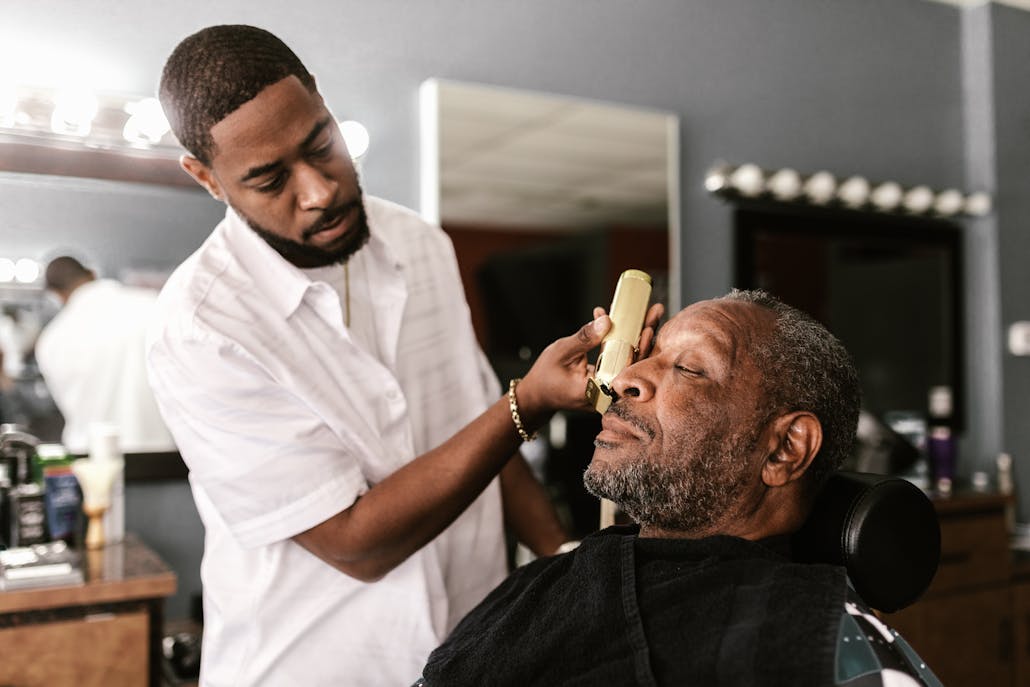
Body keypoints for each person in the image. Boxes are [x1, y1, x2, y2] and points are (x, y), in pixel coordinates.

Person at [146, 24, 662, 686]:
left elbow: (481, 432)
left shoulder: (420, 243)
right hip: (316, 668)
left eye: (321, 144)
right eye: (270, 179)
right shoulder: (201, 327)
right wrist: (526, 401)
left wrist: (567, 562)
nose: (319, 190)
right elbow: (356, 543)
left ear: (324, 104)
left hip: (472, 652)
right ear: (207, 179)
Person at [418, 290, 942, 687]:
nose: (625, 378)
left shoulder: (824, 639)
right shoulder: (538, 585)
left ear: (784, 448)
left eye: (689, 368)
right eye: (649, 355)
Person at [35, 256, 175, 453]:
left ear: (56, 294)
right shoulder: (154, 306)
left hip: (91, 459)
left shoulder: (51, 340)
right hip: (164, 456)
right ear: (92, 273)